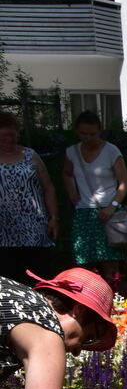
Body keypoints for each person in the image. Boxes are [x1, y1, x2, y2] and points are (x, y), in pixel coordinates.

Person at [63, 111, 127, 289]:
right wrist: (72, 191)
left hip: (107, 211)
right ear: (77, 131)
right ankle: (88, 300)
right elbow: (67, 174)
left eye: (92, 134)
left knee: (110, 260)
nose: (88, 138)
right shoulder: (72, 152)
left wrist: (112, 206)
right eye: (83, 133)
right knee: (82, 259)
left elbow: (124, 183)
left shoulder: (111, 151)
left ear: (100, 131)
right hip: (83, 211)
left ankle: (114, 299)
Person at [0, 111, 59, 284]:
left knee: (40, 277)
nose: (9, 139)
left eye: (12, 134)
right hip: (4, 231)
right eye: (4, 136)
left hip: (35, 229)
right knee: (8, 281)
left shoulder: (30, 155)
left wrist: (54, 218)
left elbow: (48, 188)